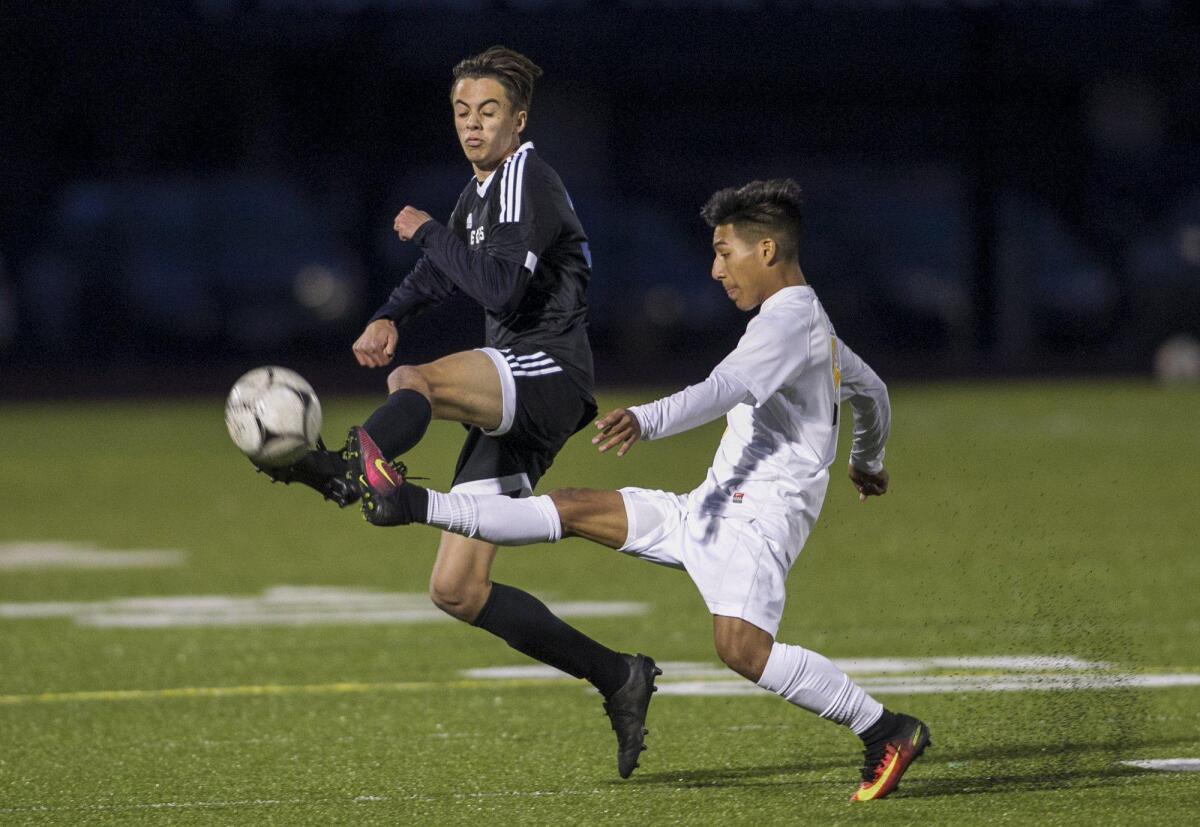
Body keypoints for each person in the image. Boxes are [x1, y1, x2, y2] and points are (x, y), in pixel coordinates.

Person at [350, 178, 932, 801]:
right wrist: (866, 460)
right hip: (708, 507)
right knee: (573, 507)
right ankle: (409, 502)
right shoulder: (810, 322)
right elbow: (871, 390)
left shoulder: (788, 325)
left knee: (743, 650)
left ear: (766, 252)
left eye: (723, 252)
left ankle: (886, 729)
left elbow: (723, 388)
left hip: (753, 525)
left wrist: (646, 419)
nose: (714, 270)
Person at [254, 46, 659, 778]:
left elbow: (499, 291)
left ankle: (350, 469)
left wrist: (426, 230)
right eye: (462, 112)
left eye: (489, 112)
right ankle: (618, 675)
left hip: (548, 370)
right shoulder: (482, 192)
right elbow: (445, 268)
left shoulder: (523, 178)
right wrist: (389, 312)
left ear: (519, 119)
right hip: (525, 387)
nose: (473, 125)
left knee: (419, 381)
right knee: (457, 588)